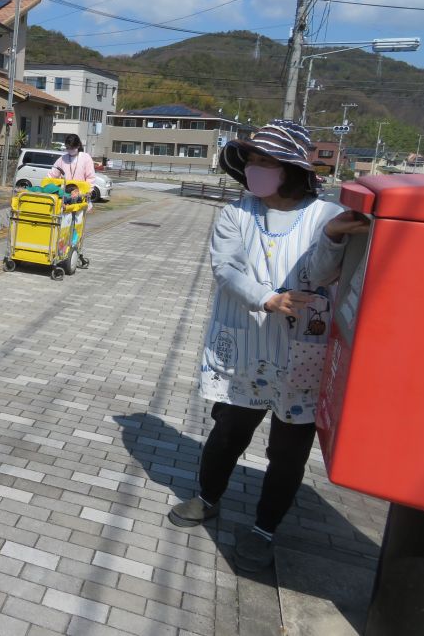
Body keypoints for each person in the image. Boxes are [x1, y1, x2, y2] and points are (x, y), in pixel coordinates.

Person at [167, 120, 370, 572]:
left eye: (266, 161)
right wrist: (268, 298)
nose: (256, 169)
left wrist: (335, 237)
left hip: (302, 352)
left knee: (288, 449)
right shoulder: (236, 214)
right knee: (228, 433)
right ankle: (206, 496)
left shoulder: (324, 215)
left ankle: (265, 527)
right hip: (246, 344)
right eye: (252, 160)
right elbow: (227, 270)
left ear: (292, 168)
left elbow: (320, 274)